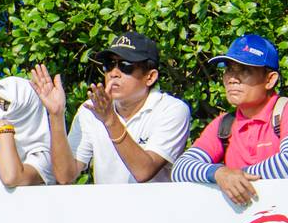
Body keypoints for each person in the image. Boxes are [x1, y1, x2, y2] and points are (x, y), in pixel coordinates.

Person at [29, 32, 192, 185]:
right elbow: (65, 176)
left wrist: (109, 119)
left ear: (150, 77)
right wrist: (56, 115)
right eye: (109, 65)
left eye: (126, 66)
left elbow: (144, 171)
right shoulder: (90, 110)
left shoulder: (171, 110)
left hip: (155, 213)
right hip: (107, 212)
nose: (114, 73)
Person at [173, 35, 288, 204]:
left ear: (270, 80)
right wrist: (219, 173)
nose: (232, 79)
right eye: (229, 70)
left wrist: (235, 176)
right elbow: (180, 168)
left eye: (245, 70)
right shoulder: (224, 124)